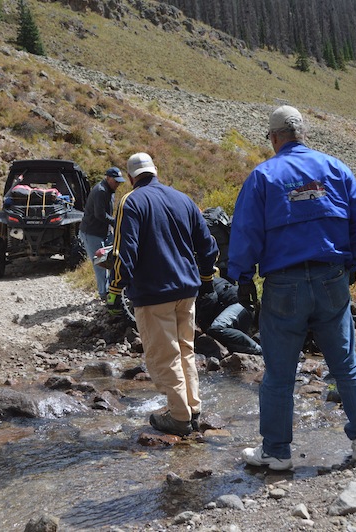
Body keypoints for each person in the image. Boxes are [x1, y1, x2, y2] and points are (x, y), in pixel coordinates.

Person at [227, 105, 356, 470]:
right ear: (301, 133)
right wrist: (354, 263)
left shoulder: (263, 176)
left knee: (279, 371)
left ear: (275, 137)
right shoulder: (336, 169)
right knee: (345, 362)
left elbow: (246, 232)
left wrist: (243, 277)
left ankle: (277, 452)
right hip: (332, 278)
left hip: (283, 284)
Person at [107, 152, 218, 436]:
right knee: (186, 352)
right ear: (156, 172)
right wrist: (206, 279)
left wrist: (114, 290)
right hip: (187, 289)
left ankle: (179, 417)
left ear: (131, 178)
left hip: (154, 293)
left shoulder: (131, 201)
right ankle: (193, 408)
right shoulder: (183, 199)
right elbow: (208, 245)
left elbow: (122, 252)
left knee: (164, 356)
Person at [79, 166, 125, 300]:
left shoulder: (110, 190)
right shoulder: (100, 190)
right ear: (108, 178)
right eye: (115, 181)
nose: (117, 184)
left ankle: (113, 291)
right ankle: (104, 295)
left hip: (104, 232)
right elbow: (100, 214)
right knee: (100, 264)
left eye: (119, 182)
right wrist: (116, 222)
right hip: (92, 232)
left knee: (112, 261)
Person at [196, 277, 261, 355]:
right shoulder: (196, 279)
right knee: (220, 336)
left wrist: (203, 323)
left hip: (240, 305)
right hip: (235, 310)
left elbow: (211, 298)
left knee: (217, 328)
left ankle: (257, 349)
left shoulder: (199, 280)